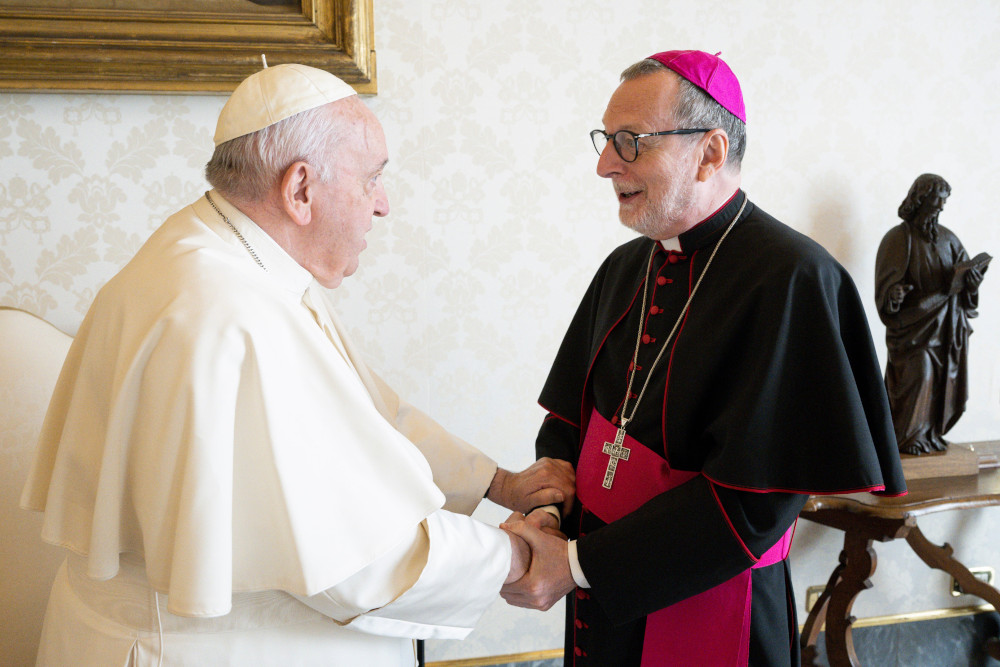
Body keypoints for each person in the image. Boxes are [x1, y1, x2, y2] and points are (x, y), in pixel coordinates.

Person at [20, 63, 574, 666]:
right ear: (300, 189)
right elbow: (359, 558)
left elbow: (362, 404)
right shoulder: (229, 309)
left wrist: (497, 484)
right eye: (371, 180)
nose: (383, 205)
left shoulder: (222, 254)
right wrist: (515, 559)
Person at [500, 50, 906, 666]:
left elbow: (755, 503)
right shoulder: (625, 266)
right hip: (602, 597)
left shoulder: (793, 278)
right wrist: (550, 512)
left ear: (710, 153)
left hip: (713, 602)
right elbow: (568, 422)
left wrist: (580, 564)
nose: (606, 164)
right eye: (607, 140)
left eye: (631, 141)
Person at [875, 173, 989, 455]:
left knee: (939, 382)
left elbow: (965, 290)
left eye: (943, 203)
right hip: (913, 329)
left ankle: (929, 435)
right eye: (936, 202)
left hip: (946, 328)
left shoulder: (949, 240)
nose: (940, 208)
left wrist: (971, 284)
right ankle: (908, 437)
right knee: (921, 373)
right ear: (920, 199)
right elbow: (886, 288)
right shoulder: (898, 239)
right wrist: (893, 296)